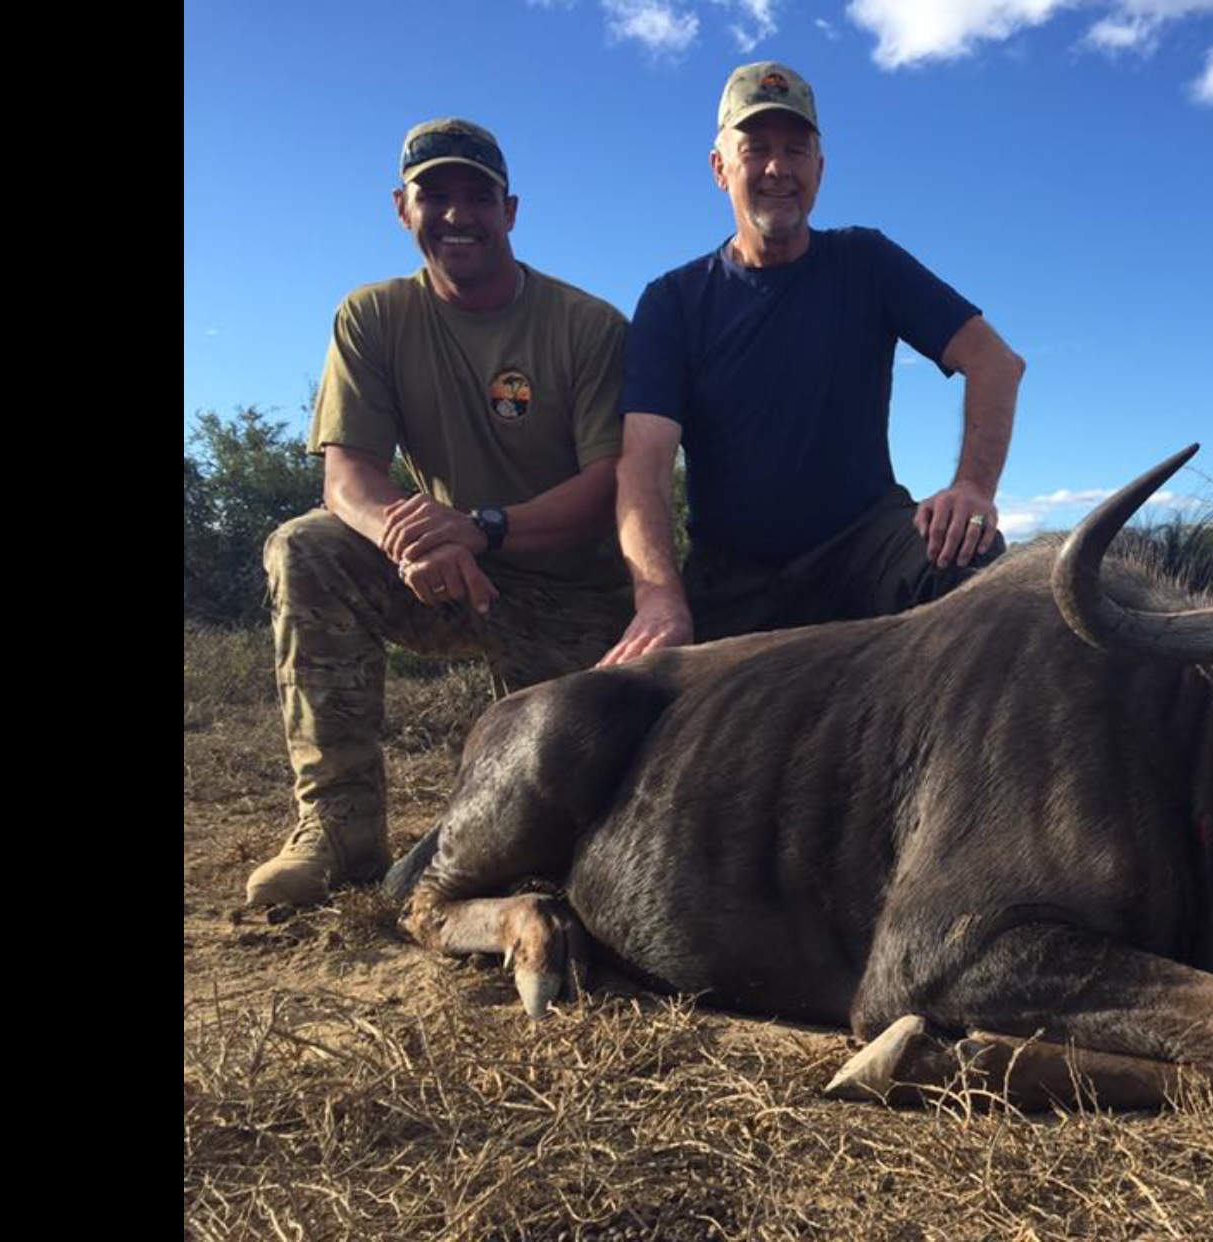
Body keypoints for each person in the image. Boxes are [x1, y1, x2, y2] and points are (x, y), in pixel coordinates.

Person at [246, 118, 633, 906]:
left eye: (477, 197)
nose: (458, 215)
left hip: (575, 597)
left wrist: (482, 527)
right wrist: (412, 533)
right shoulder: (372, 318)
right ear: (402, 208)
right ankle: (339, 830)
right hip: (448, 575)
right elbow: (348, 478)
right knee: (304, 547)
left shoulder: (588, 325)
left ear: (511, 211)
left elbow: (611, 487)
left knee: (575, 819)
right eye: (435, 195)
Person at [598, 60, 1025, 663]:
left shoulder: (866, 260)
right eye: (756, 149)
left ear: (819, 170)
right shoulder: (673, 301)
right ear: (720, 168)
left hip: (863, 545)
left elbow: (996, 363)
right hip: (736, 573)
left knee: (969, 559)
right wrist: (659, 595)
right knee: (661, 705)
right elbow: (643, 462)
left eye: (796, 151)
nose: (778, 169)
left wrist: (973, 488)